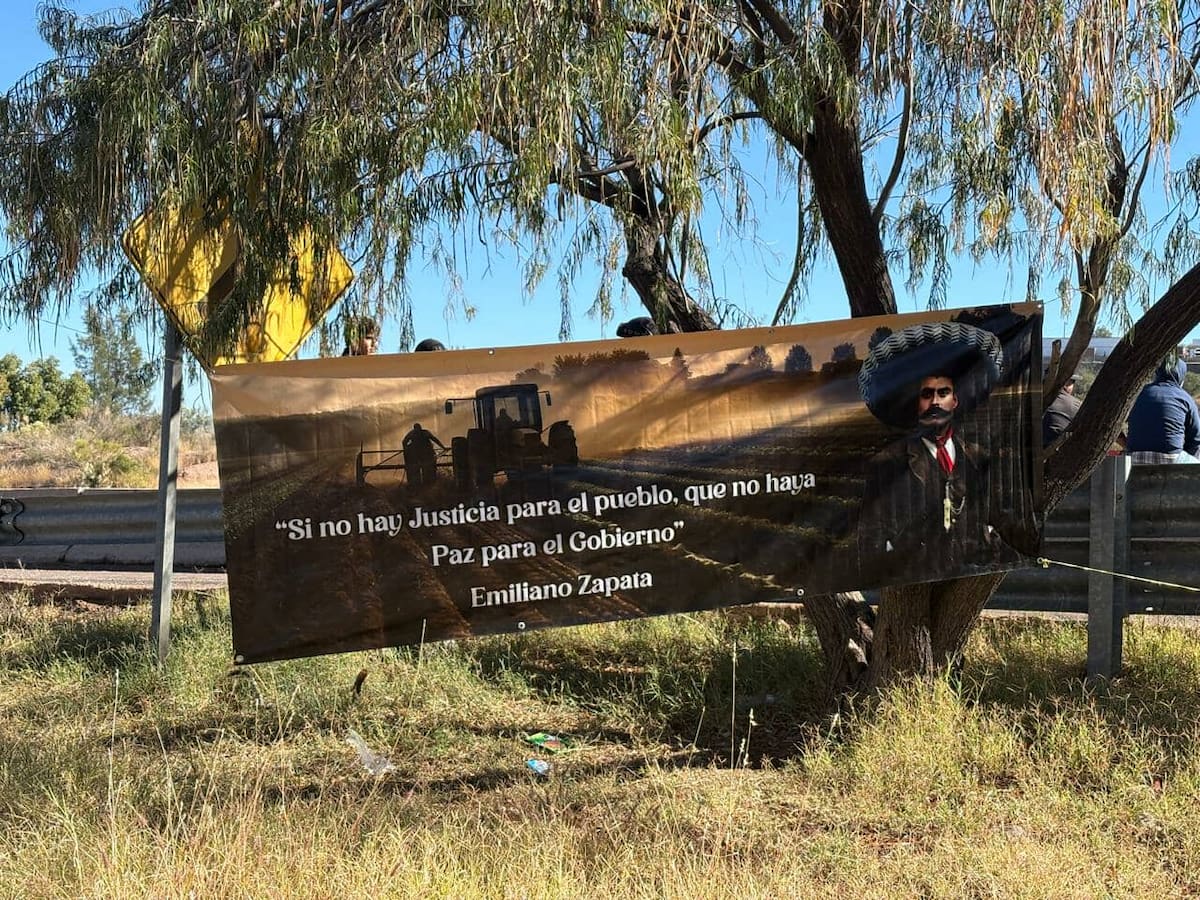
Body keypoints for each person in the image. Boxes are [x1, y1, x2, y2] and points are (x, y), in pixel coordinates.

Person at [857, 321, 1012, 583]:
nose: (936, 402)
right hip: (912, 578)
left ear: (955, 401)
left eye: (943, 393)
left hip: (966, 576)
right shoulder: (888, 461)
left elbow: (997, 519)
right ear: (916, 404)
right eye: (927, 395)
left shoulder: (978, 457)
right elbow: (871, 538)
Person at [1126, 355, 1200, 463]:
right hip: (1170, 459)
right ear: (1181, 376)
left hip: (1134, 458)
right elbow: (1196, 439)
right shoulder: (1185, 398)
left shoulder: (1138, 394)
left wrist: (1128, 444)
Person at [1042, 372, 1081, 446]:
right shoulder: (1076, 405)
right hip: (1059, 450)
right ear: (1066, 383)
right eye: (1072, 383)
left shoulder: (1031, 400)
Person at [402, 422, 446, 487]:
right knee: (422, 469)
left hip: (423, 454)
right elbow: (434, 439)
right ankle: (422, 485)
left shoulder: (414, 433)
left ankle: (424, 484)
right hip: (420, 455)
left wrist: (406, 450)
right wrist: (407, 450)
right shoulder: (423, 433)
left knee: (426, 469)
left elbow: (404, 442)